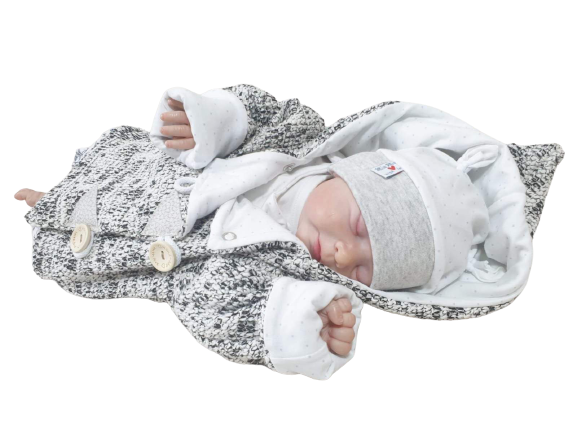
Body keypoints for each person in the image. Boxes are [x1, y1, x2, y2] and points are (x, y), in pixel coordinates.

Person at [15, 85, 498, 380]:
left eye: (365, 270)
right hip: (145, 166)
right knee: (104, 173)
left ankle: (47, 205)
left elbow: (211, 302)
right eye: (358, 227)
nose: (342, 254)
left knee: (65, 225)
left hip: (110, 250)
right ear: (346, 172)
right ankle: (60, 197)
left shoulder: (286, 269)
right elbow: (260, 108)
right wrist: (215, 124)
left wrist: (293, 317)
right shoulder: (295, 140)